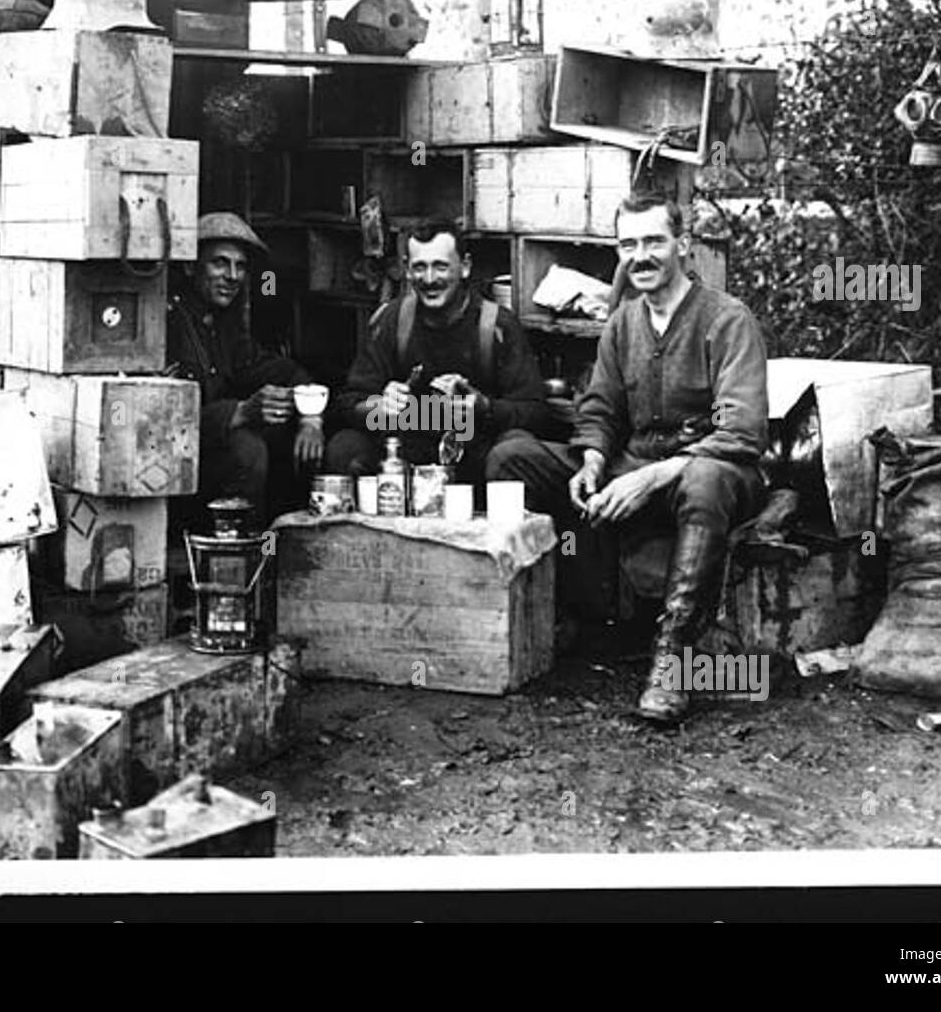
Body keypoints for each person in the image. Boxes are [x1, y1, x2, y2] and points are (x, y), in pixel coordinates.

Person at [487, 192, 769, 723]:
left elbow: (742, 431)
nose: (640, 256)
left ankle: (674, 656)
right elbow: (600, 406)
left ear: (682, 246)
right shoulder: (623, 323)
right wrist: (593, 458)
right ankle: (567, 616)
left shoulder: (728, 319)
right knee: (513, 457)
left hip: (716, 475)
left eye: (653, 242)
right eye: (628, 244)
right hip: (633, 467)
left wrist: (652, 478)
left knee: (706, 479)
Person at [325, 220, 552, 499]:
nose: (429, 279)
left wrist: (484, 407)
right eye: (420, 267)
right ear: (408, 270)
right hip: (404, 459)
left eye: (441, 266)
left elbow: (537, 413)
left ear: (465, 267)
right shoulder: (392, 321)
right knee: (345, 446)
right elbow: (347, 402)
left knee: (514, 450)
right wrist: (377, 407)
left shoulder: (497, 326)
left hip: (476, 457)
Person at [166, 211, 323, 525]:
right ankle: (238, 556)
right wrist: (240, 412)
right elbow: (162, 419)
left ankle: (282, 542)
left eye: (240, 266)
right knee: (247, 448)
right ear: (190, 265)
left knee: (290, 437)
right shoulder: (167, 323)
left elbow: (285, 372)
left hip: (209, 461)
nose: (232, 275)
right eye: (220, 263)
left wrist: (311, 419)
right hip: (173, 465)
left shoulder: (224, 329)